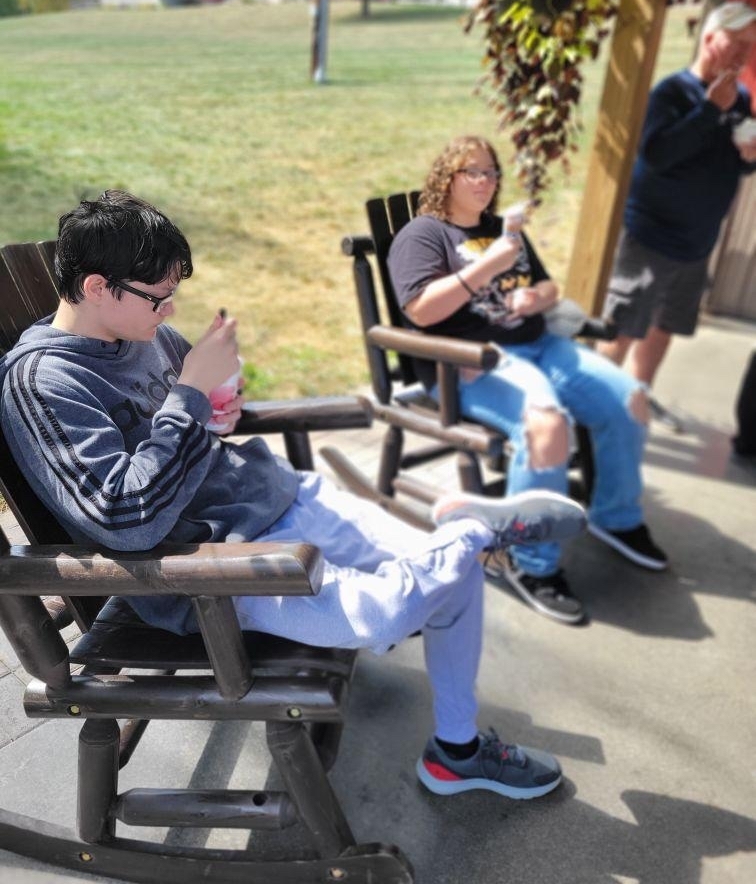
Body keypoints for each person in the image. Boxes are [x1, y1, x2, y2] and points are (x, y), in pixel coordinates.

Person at [0, 190, 589, 802]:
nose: (169, 308)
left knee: (455, 573)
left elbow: (203, 421)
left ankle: (457, 752)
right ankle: (474, 528)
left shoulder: (143, 332)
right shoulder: (44, 383)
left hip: (279, 494)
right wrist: (190, 398)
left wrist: (219, 399)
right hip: (216, 570)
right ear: (97, 287)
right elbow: (126, 520)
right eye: (158, 296)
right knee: (396, 605)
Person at [387, 136, 668, 627]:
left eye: (492, 173)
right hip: (472, 361)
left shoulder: (502, 228)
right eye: (472, 172)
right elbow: (421, 311)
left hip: (542, 345)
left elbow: (548, 284)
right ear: (445, 177)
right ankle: (529, 561)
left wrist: (537, 298)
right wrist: (488, 266)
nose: (485, 181)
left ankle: (615, 516)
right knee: (546, 426)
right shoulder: (423, 235)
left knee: (631, 399)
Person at [597, 1, 756, 391]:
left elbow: (729, 163)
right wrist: (707, 110)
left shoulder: (739, 97)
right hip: (651, 237)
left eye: (748, 46)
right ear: (708, 38)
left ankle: (636, 401)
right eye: (735, 42)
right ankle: (590, 418)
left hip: (697, 243)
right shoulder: (672, 91)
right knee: (621, 331)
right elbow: (657, 155)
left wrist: (749, 158)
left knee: (663, 328)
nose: (742, 54)